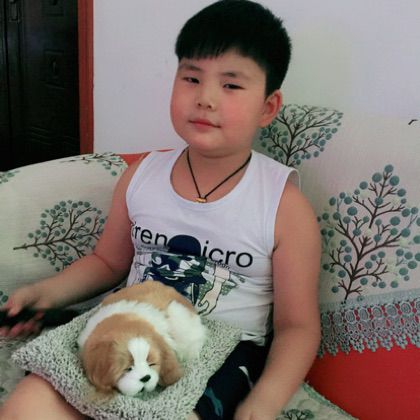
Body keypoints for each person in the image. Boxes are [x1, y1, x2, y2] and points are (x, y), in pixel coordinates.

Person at [0, 1, 321, 419]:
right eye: (191, 78)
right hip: (129, 323)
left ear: (267, 107)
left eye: (231, 85)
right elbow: (106, 262)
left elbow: (297, 328)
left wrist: (263, 402)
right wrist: (42, 294)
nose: (205, 98)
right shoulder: (141, 176)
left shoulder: (283, 206)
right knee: (25, 406)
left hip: (220, 347)